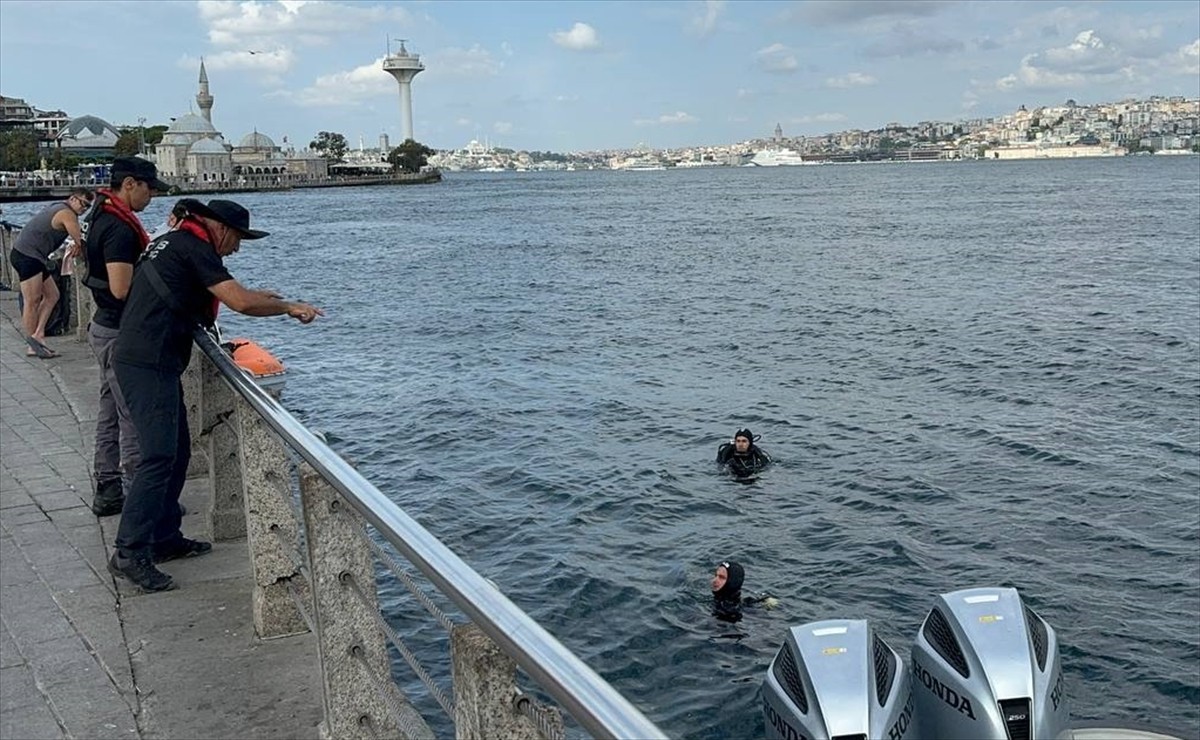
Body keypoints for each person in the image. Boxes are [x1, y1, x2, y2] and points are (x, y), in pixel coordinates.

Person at [108, 198, 323, 592]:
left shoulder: (176, 241)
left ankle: (165, 536)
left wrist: (264, 296)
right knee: (157, 457)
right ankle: (130, 551)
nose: (237, 249)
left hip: (149, 356)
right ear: (220, 228)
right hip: (147, 362)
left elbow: (223, 289)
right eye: (238, 239)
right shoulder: (196, 246)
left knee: (177, 452)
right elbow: (237, 301)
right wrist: (288, 307)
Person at [83, 157, 169, 516]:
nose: (151, 197)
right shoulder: (119, 229)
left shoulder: (100, 214)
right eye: (149, 189)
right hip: (120, 330)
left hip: (102, 325)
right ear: (130, 184)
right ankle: (139, 502)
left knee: (109, 411)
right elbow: (121, 288)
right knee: (132, 414)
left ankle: (107, 487)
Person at [9, 188, 93, 358]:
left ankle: (38, 335)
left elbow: (78, 239)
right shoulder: (66, 213)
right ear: (73, 199)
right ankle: (32, 345)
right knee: (32, 301)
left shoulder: (59, 207)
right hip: (27, 256)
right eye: (83, 204)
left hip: (35, 257)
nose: (84, 209)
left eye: (88, 207)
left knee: (53, 295)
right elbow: (80, 240)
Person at [711, 559, 778, 623]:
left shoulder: (736, 610)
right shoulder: (743, 602)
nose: (714, 580)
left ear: (732, 582)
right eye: (715, 575)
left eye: (722, 577)